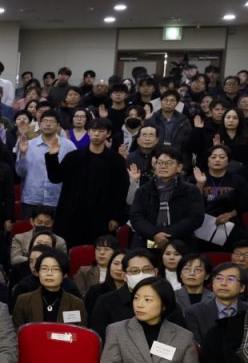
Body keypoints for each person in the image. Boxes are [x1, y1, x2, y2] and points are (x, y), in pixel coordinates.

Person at [45, 117, 129, 248]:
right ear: (88, 132)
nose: (96, 134)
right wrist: (52, 157)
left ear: (108, 134)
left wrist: (115, 217)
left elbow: (121, 191)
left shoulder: (116, 160)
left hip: (102, 215)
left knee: (98, 249)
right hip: (72, 214)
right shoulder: (73, 157)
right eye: (93, 130)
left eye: (101, 131)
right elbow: (55, 178)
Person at [89, 248, 185, 339]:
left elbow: (179, 338)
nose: (141, 275)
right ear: (124, 276)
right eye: (134, 271)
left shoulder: (167, 302)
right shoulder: (106, 302)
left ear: (155, 272)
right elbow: (100, 339)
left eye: (146, 270)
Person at [128, 147, 205, 248]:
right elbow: (136, 216)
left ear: (179, 167)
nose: (163, 166)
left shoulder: (191, 191)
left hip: (180, 242)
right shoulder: (143, 191)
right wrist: (155, 234)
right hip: (149, 241)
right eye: (159, 163)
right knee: (144, 252)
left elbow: (195, 218)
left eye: (168, 163)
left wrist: (167, 235)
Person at [12, 247, 87, 327]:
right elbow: (18, 331)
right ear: (38, 272)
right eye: (44, 269)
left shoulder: (76, 304)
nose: (49, 273)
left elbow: (81, 332)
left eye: (55, 269)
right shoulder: (24, 301)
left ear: (63, 274)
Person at [185, 262, 243, 346]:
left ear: (242, 287)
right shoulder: (194, 312)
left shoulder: (245, 310)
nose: (223, 283)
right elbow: (195, 347)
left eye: (231, 279)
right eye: (219, 278)